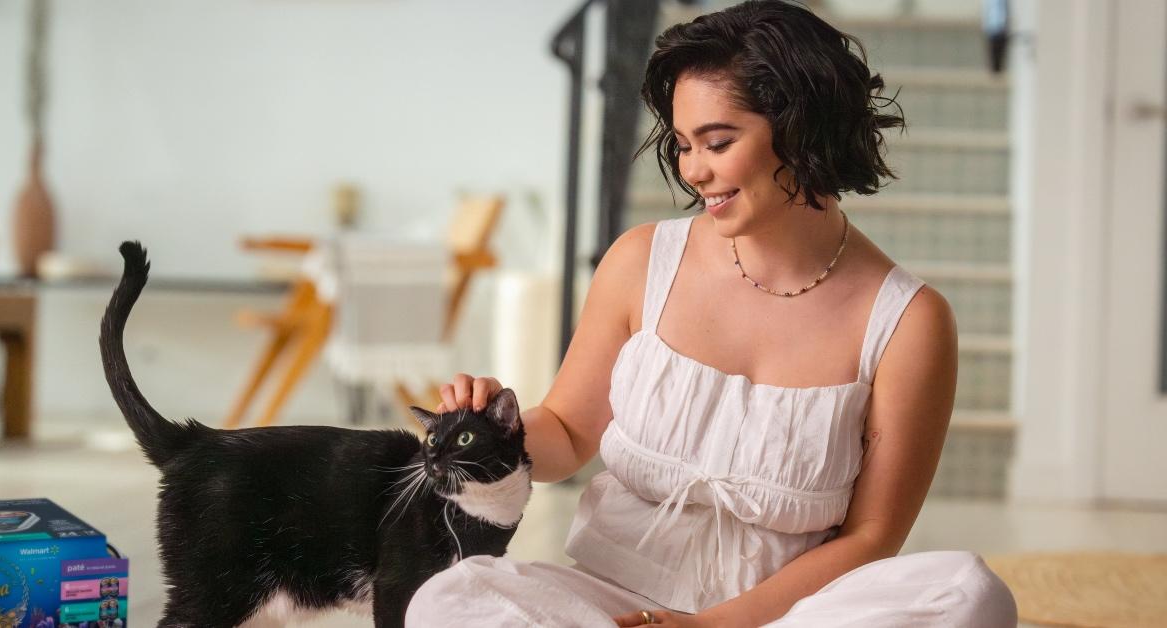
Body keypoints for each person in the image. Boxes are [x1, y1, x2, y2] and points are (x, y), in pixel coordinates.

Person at [406, 1, 1017, 625]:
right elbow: (567, 429)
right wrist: (488, 428)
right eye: (683, 145)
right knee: (447, 599)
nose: (694, 171)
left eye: (718, 142)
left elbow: (871, 537)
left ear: (803, 128)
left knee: (967, 593)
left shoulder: (909, 323)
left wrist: (710, 626)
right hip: (615, 606)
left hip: (787, 616)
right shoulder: (641, 261)